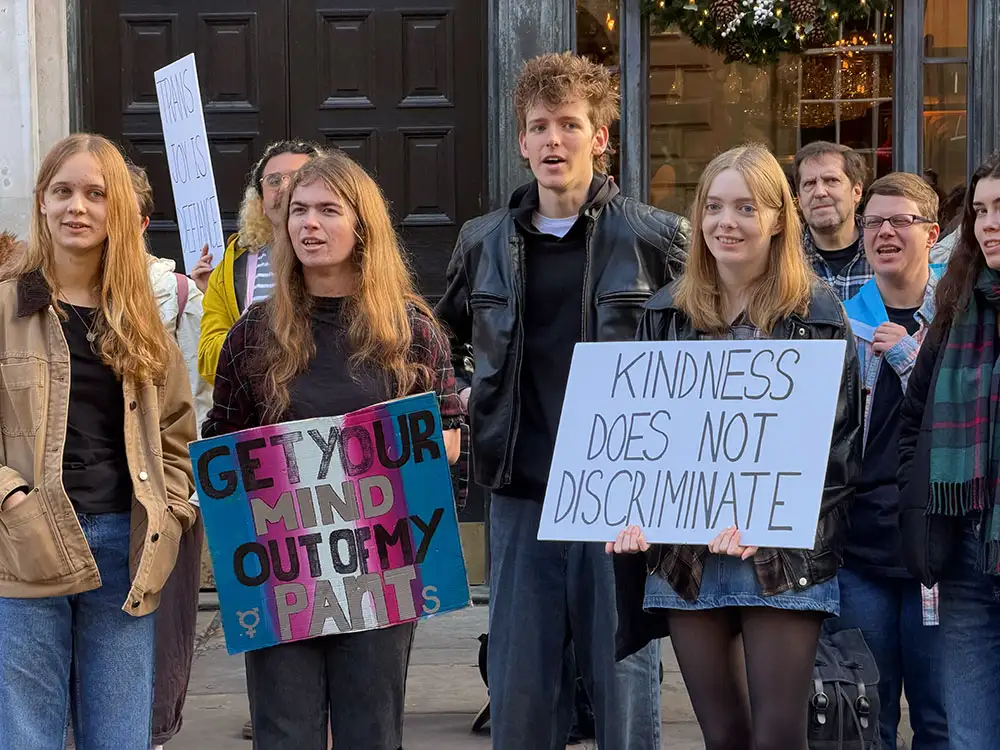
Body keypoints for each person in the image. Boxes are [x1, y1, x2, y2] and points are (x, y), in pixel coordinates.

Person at [435, 51, 688, 750]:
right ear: (522, 140)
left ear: (599, 138)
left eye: (570, 124)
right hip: (521, 493)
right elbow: (442, 336)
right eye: (540, 126)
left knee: (625, 684)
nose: (554, 140)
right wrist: (459, 396)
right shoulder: (481, 242)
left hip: (621, 499)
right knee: (521, 689)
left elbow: (705, 340)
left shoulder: (655, 238)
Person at [202, 150, 463, 749]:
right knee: (284, 731)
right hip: (281, 571)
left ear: (362, 224)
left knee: (370, 732)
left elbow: (449, 437)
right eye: (297, 211)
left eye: (327, 210)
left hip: (379, 567)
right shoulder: (250, 335)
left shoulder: (410, 329)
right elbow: (224, 442)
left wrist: (416, 447)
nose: (308, 224)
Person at [609, 144, 862, 750]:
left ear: (778, 218)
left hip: (780, 561)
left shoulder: (819, 316)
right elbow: (639, 437)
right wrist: (629, 506)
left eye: (746, 207)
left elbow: (841, 456)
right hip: (686, 561)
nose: (727, 222)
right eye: (714, 207)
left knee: (778, 738)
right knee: (723, 737)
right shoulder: (664, 313)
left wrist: (771, 520)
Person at [0, 133, 197, 748]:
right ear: (41, 202)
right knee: (26, 736)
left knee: (119, 737)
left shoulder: (136, 317)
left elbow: (174, 433)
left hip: (124, 546)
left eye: (94, 193)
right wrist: (11, 501)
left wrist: (173, 511)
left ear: (120, 211)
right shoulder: (7, 306)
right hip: (25, 546)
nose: (76, 207)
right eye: (62, 192)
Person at [835, 173, 948, 749]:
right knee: (863, 720)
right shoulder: (837, 320)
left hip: (941, 556)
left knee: (941, 718)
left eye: (899, 221)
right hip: (862, 553)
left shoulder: (962, 318)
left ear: (932, 233)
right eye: (873, 221)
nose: (883, 232)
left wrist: (907, 355)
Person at [899, 151, 1000, 748]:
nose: (988, 224)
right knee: (968, 735)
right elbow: (915, 420)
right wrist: (922, 514)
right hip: (964, 555)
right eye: (981, 211)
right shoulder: (955, 310)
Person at [127, 163, 211, 749]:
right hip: (81, 494)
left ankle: (154, 728)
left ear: (142, 220)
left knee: (164, 620)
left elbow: (197, 400)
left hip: (163, 491)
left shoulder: (177, 293)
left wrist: (182, 491)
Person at [196, 139, 322, 384]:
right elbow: (209, 359)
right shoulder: (232, 268)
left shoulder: (344, 259)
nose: (285, 187)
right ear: (261, 201)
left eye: (298, 177)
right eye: (274, 180)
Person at [794, 141, 871, 301]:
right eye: (809, 183)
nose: (820, 192)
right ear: (800, 199)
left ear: (856, 192)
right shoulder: (783, 256)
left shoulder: (883, 249)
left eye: (831, 180)